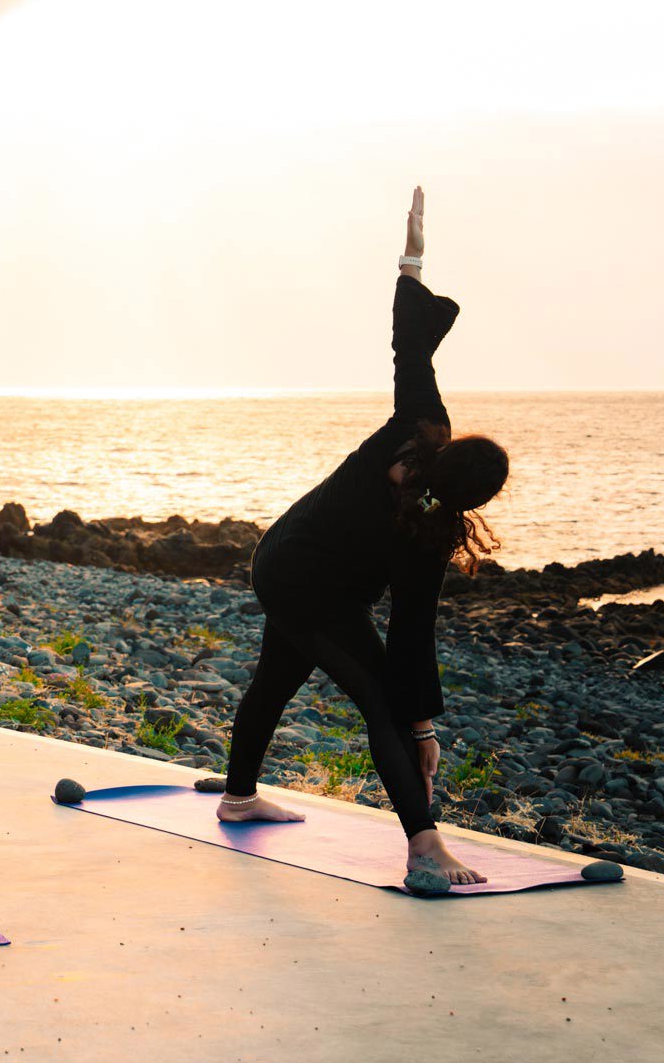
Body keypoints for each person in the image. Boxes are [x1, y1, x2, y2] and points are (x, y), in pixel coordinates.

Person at [217, 187, 508, 887]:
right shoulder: (433, 535)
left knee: (277, 677)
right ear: (474, 503)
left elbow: (410, 345)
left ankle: (239, 796)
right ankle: (424, 846)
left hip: (282, 556)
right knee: (380, 700)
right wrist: (421, 726)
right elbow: (412, 634)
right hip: (304, 583)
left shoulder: (420, 426)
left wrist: (411, 255)